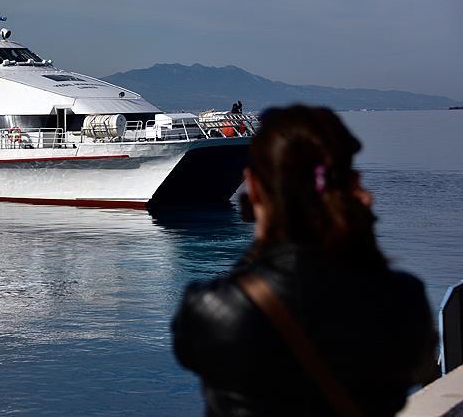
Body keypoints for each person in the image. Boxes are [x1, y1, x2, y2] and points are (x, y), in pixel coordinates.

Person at [171, 105, 436, 416]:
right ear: (351, 184)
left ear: (253, 188)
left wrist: (260, 240)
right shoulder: (404, 299)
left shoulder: (211, 308)